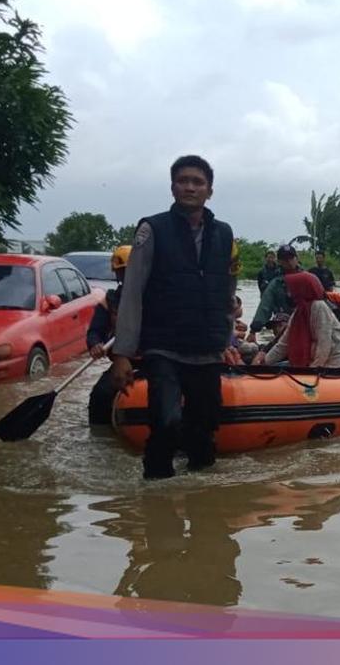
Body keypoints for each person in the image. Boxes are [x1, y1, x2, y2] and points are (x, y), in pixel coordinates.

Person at [109, 155, 241, 480]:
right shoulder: (152, 230)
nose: (190, 187)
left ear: (210, 190)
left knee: (204, 430)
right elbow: (133, 292)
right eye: (183, 181)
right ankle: (156, 499)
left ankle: (203, 509)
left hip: (207, 350)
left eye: (198, 182)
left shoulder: (224, 234)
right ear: (172, 187)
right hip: (164, 347)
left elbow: (226, 292)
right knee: (166, 423)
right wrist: (122, 355)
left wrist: (227, 340)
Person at [256, 272, 340, 370]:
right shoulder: (299, 312)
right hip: (312, 361)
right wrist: (265, 362)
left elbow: (324, 344)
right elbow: (283, 344)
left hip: (333, 362)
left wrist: (313, 370)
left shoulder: (319, 307)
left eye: (291, 289)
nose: (288, 293)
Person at [86, 245, 131, 425]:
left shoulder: (158, 298)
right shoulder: (108, 302)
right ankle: (100, 437)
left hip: (158, 361)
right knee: (100, 395)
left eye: (133, 271)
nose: (128, 276)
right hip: (123, 363)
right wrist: (95, 344)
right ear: (117, 275)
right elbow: (94, 331)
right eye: (123, 272)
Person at [247, 244, 302, 343]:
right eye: (285, 259)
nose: (289, 262)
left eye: (291, 258)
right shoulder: (276, 283)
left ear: (297, 259)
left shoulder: (307, 279)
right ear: (280, 261)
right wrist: (253, 330)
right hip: (283, 319)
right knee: (280, 325)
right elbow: (265, 305)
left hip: (304, 319)